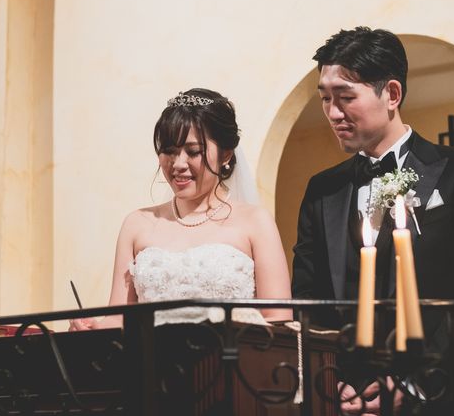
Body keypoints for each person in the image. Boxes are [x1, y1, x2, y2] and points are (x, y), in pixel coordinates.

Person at [291, 27, 454, 416]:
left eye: (345, 97)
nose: (332, 112)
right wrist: (336, 387)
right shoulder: (321, 191)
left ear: (392, 93)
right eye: (324, 99)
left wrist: (411, 384)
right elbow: (306, 299)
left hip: (441, 414)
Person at [70, 88, 292, 331]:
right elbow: (119, 318)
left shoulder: (255, 222)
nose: (178, 164)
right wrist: (93, 327)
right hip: (151, 355)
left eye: (193, 152)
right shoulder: (136, 223)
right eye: (169, 151)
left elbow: (278, 318)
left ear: (226, 155)